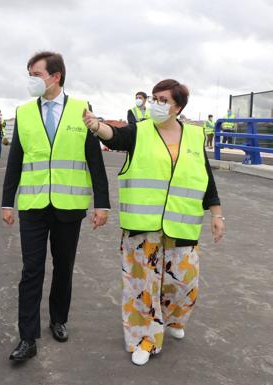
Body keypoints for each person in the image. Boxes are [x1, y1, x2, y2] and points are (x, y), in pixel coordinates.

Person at [83, 79, 225, 366]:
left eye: (162, 100)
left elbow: (206, 178)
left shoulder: (195, 136)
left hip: (181, 226)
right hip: (142, 227)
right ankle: (143, 338)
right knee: (142, 287)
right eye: (153, 98)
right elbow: (115, 136)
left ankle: (172, 319)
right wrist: (97, 126)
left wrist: (216, 214)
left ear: (178, 106)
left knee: (184, 284)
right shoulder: (140, 131)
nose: (154, 104)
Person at [2, 51, 110, 362]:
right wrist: (6, 202)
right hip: (33, 206)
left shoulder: (81, 110)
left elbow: (94, 160)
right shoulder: (23, 113)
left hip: (69, 206)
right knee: (31, 270)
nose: (31, 80)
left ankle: (58, 319)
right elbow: (15, 162)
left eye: (35, 74)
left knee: (63, 267)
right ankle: (27, 337)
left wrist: (101, 204)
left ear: (55, 76)